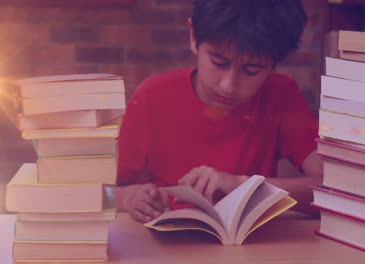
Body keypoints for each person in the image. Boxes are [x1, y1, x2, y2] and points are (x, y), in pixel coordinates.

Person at [114, 0, 323, 223]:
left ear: (274, 65)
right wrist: (128, 198)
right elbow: (100, 193)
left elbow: (339, 191)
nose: (229, 85)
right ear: (194, 36)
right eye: (218, 62)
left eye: (251, 70)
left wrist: (245, 186)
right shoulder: (152, 97)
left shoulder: (280, 96)